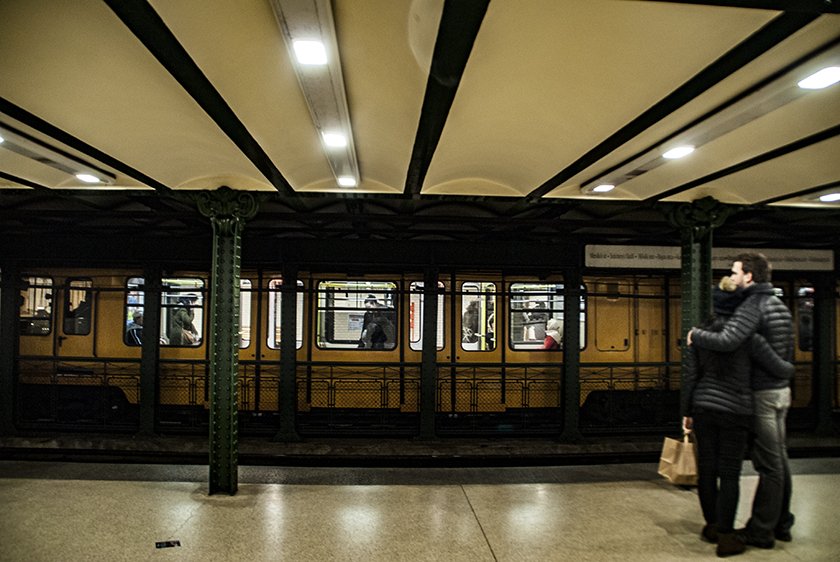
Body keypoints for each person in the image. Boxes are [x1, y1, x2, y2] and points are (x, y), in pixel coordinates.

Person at [688, 253, 796, 550]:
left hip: (760, 393)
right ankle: (780, 522)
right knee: (776, 462)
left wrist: (694, 335)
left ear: (749, 276)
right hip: (773, 394)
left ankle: (760, 530)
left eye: (735, 271)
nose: (732, 275)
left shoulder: (753, 305)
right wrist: (787, 372)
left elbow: (730, 340)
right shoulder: (779, 304)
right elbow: (786, 353)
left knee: (768, 465)